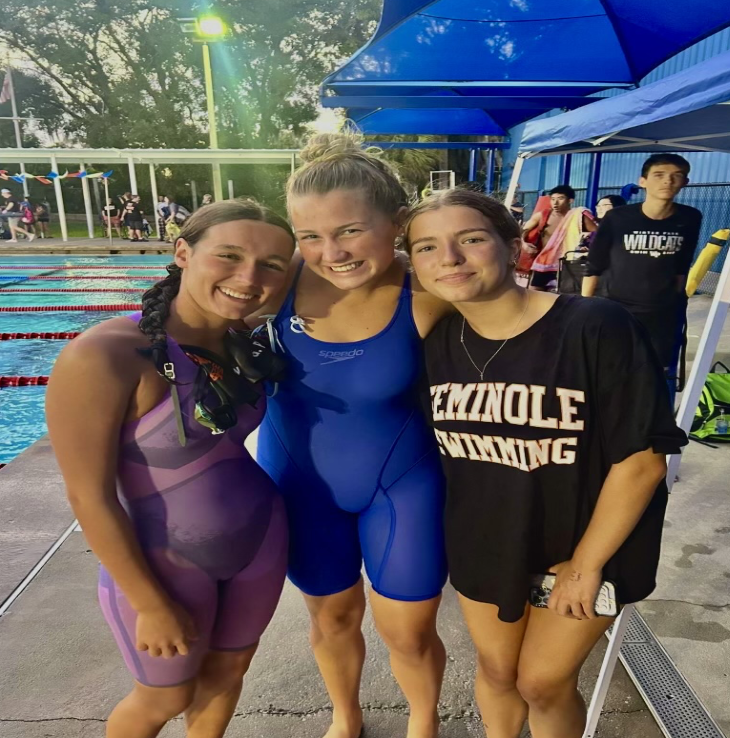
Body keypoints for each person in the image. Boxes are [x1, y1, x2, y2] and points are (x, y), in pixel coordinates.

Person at [404, 188, 687, 738]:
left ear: (515, 247)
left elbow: (643, 460)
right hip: (485, 538)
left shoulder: (595, 326)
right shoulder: (430, 341)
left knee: (542, 682)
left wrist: (585, 564)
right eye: (427, 247)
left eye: (471, 239)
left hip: (587, 543)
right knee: (498, 671)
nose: (450, 259)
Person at [45, 200, 296, 738]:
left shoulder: (242, 343)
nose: (248, 276)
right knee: (164, 696)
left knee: (229, 672)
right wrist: (148, 601)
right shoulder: (105, 355)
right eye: (227, 255)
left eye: (271, 264)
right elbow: (89, 497)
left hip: (261, 542)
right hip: (166, 564)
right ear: (183, 252)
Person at [255, 133, 451, 738]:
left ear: (396, 222)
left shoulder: (430, 292)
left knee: (408, 631)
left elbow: (519, 324)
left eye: (349, 231)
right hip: (300, 481)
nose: (330, 252)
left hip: (402, 484)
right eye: (310, 236)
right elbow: (192, 309)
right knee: (332, 618)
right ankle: (346, 715)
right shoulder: (275, 283)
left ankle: (423, 719)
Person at [582, 154, 702, 370]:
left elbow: (682, 265)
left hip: (661, 314)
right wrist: (584, 310)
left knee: (654, 374)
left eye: (677, 176)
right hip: (616, 308)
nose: (667, 181)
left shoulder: (690, 217)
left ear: (685, 183)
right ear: (643, 181)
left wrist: (673, 300)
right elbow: (594, 266)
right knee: (609, 369)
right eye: (659, 175)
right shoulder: (618, 218)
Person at [521, 186, 596, 291]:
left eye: (560, 198)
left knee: (564, 294)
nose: (555, 203)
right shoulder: (542, 216)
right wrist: (524, 244)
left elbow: (597, 235)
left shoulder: (578, 216)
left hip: (568, 263)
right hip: (544, 262)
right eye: (552, 199)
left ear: (570, 200)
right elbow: (523, 231)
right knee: (534, 292)